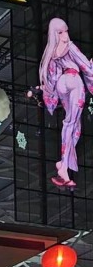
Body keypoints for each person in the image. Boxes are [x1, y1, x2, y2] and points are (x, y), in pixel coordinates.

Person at [35, 17, 93, 188]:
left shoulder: (52, 51)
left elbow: (53, 77)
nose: (65, 34)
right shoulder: (70, 46)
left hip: (62, 83)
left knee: (74, 125)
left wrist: (45, 90)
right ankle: (63, 167)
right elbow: (85, 66)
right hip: (74, 81)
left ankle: (63, 162)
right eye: (63, 31)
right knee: (71, 123)